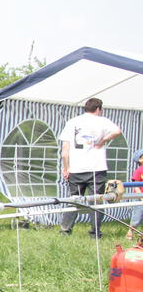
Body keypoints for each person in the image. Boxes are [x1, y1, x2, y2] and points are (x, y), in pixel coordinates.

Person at [59, 97, 121, 238]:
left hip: (75, 168)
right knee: (96, 200)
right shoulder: (102, 120)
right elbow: (117, 131)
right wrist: (103, 140)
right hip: (96, 168)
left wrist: (65, 168)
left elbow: (64, 150)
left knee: (74, 200)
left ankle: (65, 230)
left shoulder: (72, 122)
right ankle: (95, 233)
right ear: (98, 109)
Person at [126, 150, 143, 240]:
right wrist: (140, 196)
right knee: (137, 215)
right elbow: (136, 185)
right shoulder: (138, 171)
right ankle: (130, 232)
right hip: (139, 197)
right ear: (139, 160)